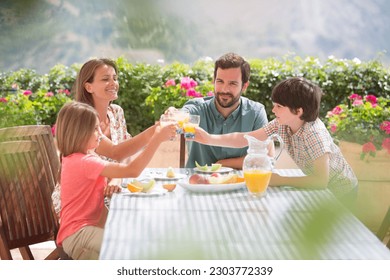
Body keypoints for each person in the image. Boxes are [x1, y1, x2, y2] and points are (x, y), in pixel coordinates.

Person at [193, 77, 358, 202]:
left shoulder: (314, 134)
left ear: (298, 111)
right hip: (322, 192)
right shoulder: (282, 123)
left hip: (342, 193)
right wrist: (208, 138)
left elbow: (320, 181)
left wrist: (280, 180)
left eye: (279, 106)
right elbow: (245, 138)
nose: (273, 109)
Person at [55, 101, 175, 259]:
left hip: (81, 232)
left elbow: (118, 173)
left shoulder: (81, 158)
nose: (101, 133)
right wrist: (156, 140)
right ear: (79, 133)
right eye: (95, 129)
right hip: (80, 236)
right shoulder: (84, 162)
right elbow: (131, 170)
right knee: (134, 250)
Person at [52, 58, 161, 214]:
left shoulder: (116, 112)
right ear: (88, 87)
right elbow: (115, 152)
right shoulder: (84, 120)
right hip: (82, 203)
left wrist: (117, 177)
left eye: (114, 78)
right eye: (105, 79)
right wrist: (156, 131)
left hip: (109, 193)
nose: (113, 83)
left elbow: (126, 151)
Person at [168, 52, 268, 169]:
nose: (224, 89)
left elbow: (265, 158)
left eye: (232, 83)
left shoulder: (255, 113)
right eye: (220, 81)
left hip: (240, 183)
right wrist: (173, 113)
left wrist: (223, 164)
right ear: (213, 81)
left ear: (244, 86)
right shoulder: (197, 108)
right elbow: (181, 115)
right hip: (197, 183)